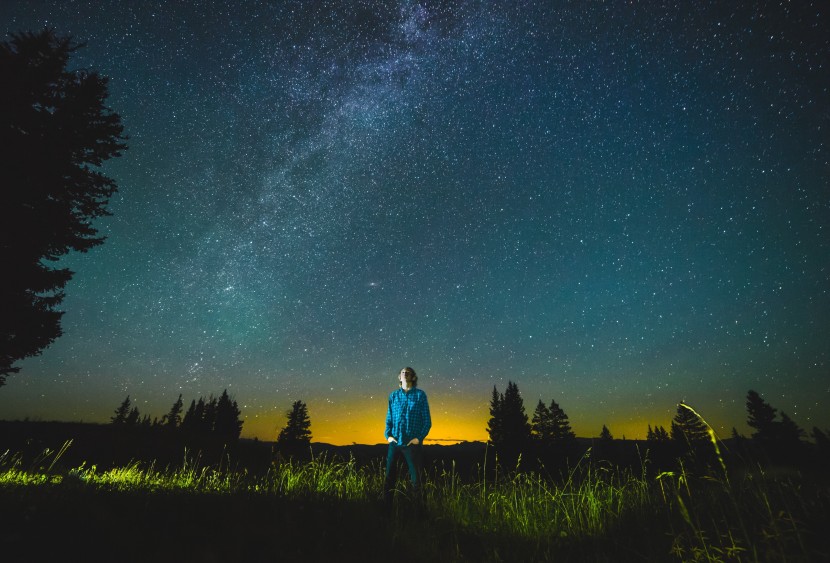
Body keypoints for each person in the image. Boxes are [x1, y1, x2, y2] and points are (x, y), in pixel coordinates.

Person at [384, 366, 431, 505]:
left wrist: (418, 438)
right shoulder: (393, 396)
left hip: (412, 444)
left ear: (413, 377)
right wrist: (388, 436)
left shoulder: (420, 395)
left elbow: (427, 421)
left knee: (416, 480)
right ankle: (385, 512)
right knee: (389, 479)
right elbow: (389, 419)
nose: (405, 374)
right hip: (395, 442)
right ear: (399, 377)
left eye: (408, 372)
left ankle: (420, 515)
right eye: (402, 372)